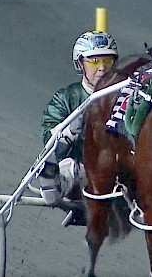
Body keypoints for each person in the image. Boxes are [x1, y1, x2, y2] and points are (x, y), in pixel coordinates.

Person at [38, 31, 118, 223]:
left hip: (117, 171)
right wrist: (69, 132)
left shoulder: (125, 96)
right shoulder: (66, 98)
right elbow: (48, 139)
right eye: (94, 61)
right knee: (68, 167)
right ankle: (58, 185)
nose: (101, 68)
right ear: (80, 63)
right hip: (78, 171)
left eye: (107, 62)